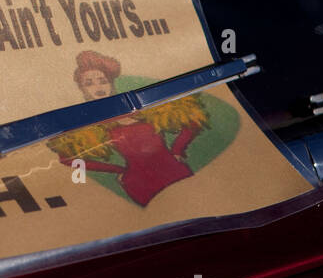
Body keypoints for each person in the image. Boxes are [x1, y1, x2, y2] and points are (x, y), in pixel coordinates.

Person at [51, 50, 209, 207]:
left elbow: (192, 117)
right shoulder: (88, 124)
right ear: (82, 89)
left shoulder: (139, 107)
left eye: (102, 81)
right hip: (139, 182)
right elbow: (66, 159)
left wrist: (177, 150)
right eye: (89, 83)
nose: (98, 87)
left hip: (174, 171)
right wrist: (118, 170)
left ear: (111, 84)